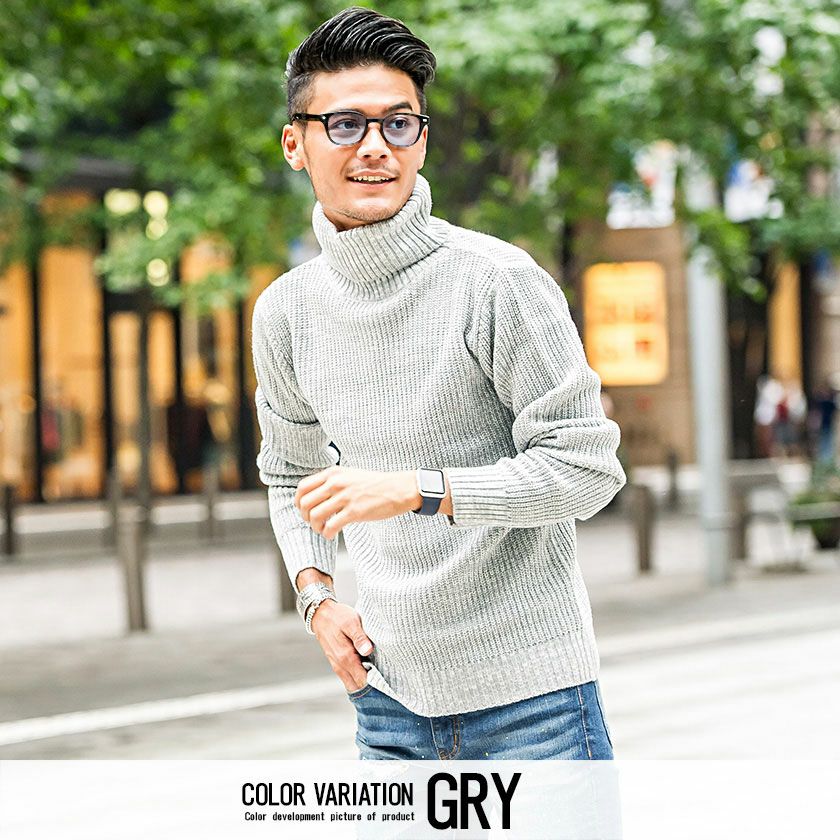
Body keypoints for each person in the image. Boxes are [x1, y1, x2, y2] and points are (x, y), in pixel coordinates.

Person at [251, 7, 626, 761]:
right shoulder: (286, 311)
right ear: (296, 144)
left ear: (422, 140)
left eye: (398, 124)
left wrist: (417, 490)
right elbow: (291, 473)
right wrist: (317, 599)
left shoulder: (497, 281)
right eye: (345, 125)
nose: (375, 147)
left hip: (534, 708)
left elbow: (588, 470)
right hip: (388, 706)